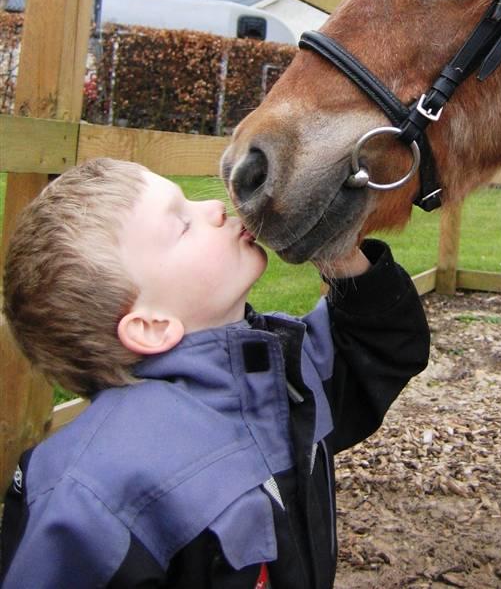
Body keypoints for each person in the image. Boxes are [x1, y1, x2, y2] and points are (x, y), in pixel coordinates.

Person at [0, 157, 430, 589]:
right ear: (151, 326)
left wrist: (333, 247)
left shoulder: (278, 375)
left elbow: (383, 347)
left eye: (189, 200)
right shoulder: (92, 495)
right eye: (182, 224)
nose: (214, 207)